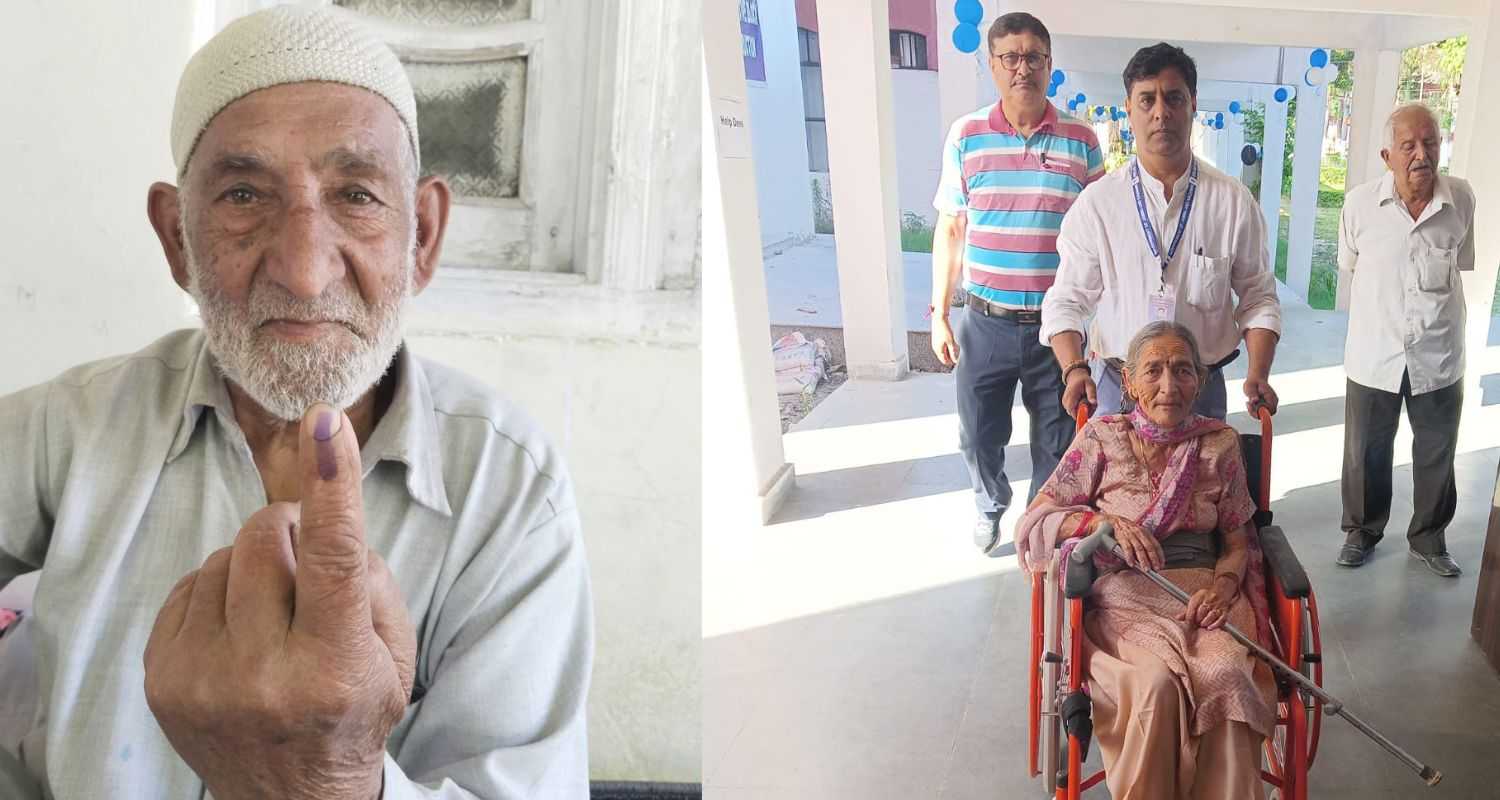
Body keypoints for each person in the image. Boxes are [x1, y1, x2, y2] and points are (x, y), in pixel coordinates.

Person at [0, 6, 591, 798]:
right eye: (244, 195)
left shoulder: (510, 491)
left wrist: (335, 778)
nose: (305, 272)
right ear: (178, 238)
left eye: (355, 195)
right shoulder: (73, 427)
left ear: (421, 236)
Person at [1016, 321, 1276, 800]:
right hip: (1121, 597)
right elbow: (1037, 519)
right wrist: (1100, 525)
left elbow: (1240, 541)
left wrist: (1222, 589)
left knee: (1226, 677)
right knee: (1155, 687)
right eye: (1153, 370)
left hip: (1203, 594)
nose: (1168, 385)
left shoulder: (1220, 443)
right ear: (1130, 383)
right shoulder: (1100, 437)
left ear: (1199, 381)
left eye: (1182, 371)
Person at [930, 12, 1104, 555]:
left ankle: (1040, 523)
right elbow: (952, 227)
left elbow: (1101, 232)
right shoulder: (967, 136)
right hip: (984, 321)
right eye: (1010, 56)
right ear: (992, 65)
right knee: (978, 434)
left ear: (1049, 66)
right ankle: (988, 505)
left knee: (1056, 440)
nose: (1021, 67)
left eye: (1033, 56)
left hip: (1057, 330)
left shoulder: (1081, 141)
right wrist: (938, 313)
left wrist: (1095, 323)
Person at [1042, 42, 1282, 421]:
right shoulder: (1097, 205)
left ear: (1193, 104)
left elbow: (1258, 297)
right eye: (1147, 100)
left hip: (1199, 390)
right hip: (1117, 390)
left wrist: (1258, 373)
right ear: (1128, 109)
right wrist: (1073, 369)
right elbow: (1066, 301)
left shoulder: (1232, 202)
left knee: (1205, 483)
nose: (1161, 113)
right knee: (1118, 483)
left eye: (1173, 98)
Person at [1334, 103, 1477, 577]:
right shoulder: (1358, 205)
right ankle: (1362, 531)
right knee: (1366, 451)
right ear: (1386, 155)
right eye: (1408, 145)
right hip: (1375, 354)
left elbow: (1460, 264)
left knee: (1437, 450)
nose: (1421, 154)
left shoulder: (1461, 200)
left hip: (1438, 356)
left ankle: (1429, 538)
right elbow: (1351, 264)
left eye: (1431, 142)